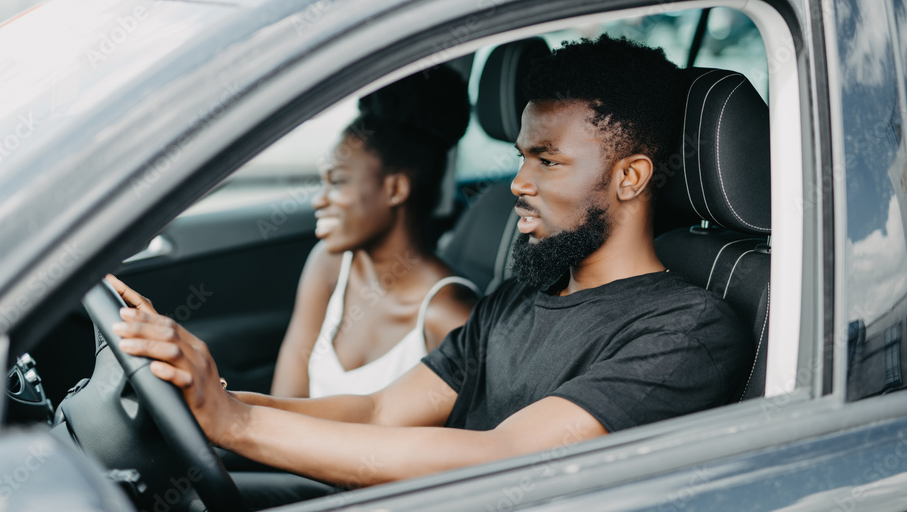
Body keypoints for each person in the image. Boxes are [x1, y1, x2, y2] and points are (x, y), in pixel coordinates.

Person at [108, 34, 752, 503]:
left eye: (548, 161)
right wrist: (210, 397)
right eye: (520, 156)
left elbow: (502, 459)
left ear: (630, 177)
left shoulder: (688, 330)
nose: (518, 183)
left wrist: (237, 424)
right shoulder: (524, 295)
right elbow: (381, 412)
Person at [272, 67, 478, 398]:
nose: (318, 200)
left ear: (396, 188)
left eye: (337, 182)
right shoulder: (328, 266)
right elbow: (284, 404)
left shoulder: (448, 317)